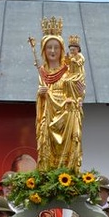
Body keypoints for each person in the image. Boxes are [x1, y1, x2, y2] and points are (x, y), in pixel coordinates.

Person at [35, 18, 85, 172]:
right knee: (46, 141)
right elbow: (41, 95)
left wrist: (77, 96)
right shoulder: (43, 72)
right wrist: (40, 95)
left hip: (67, 114)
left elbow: (80, 91)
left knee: (70, 143)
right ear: (44, 50)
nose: (52, 51)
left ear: (62, 49)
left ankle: (68, 173)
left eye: (56, 47)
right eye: (49, 47)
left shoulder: (70, 69)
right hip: (48, 113)